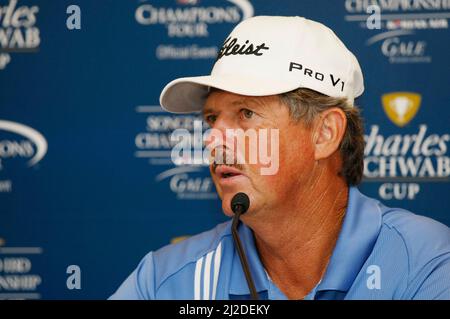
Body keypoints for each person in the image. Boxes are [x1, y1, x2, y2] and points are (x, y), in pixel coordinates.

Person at [110, 16, 450, 300]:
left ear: (325, 134)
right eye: (212, 119)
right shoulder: (164, 282)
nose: (212, 139)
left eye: (245, 114)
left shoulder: (428, 265)